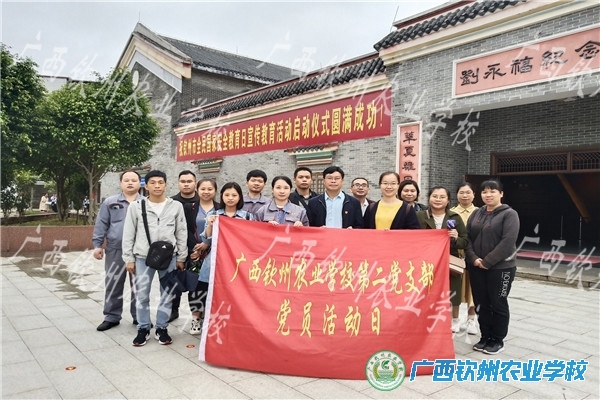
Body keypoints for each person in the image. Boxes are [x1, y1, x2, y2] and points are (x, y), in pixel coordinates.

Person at [122, 170, 188, 347]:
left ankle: (162, 328)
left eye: (160, 182)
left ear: (166, 185)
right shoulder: (136, 206)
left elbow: (181, 232)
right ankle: (143, 328)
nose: (157, 186)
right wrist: (129, 258)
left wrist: (181, 257)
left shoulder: (175, 206)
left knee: (167, 294)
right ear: (146, 186)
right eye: (153, 183)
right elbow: (128, 233)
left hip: (170, 257)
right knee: (142, 294)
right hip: (143, 257)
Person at [465, 180, 519, 355]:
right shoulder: (476, 213)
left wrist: (487, 261)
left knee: (498, 303)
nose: (488, 195)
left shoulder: (509, 214)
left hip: (501, 268)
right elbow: (467, 238)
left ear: (501, 194)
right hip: (476, 266)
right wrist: (473, 258)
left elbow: (508, 242)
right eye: (484, 192)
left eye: (492, 191)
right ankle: (485, 336)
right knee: (481, 303)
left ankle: (497, 339)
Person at [93, 170, 143, 331]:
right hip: (115, 249)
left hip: (139, 250)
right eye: (126, 180)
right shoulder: (110, 202)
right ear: (121, 183)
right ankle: (111, 316)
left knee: (139, 285)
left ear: (139, 183)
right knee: (113, 282)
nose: (130, 183)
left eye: (134, 180)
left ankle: (139, 316)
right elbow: (102, 223)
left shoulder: (145, 203)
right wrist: (98, 245)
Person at [416, 186, 468, 334]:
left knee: (453, 290)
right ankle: (427, 319)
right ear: (429, 198)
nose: (438, 199)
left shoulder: (455, 217)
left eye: (442, 197)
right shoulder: (420, 216)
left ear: (448, 200)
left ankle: (454, 320)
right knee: (427, 291)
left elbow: (465, 241)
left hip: (449, 259)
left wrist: (456, 238)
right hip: (426, 261)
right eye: (435, 196)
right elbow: (411, 236)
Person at [197, 182, 254, 310]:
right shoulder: (214, 215)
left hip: (239, 260)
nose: (230, 198)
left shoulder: (247, 217)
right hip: (216, 259)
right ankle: (201, 316)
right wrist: (210, 225)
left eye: (234, 195)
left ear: (240, 197)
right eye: (227, 195)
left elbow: (252, 240)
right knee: (207, 289)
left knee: (235, 291)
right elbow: (206, 241)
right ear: (222, 196)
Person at [187, 178, 219, 335]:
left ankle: (208, 316)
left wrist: (206, 244)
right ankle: (195, 319)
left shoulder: (220, 209)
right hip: (194, 253)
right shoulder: (190, 208)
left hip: (214, 253)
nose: (206, 192)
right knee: (195, 287)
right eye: (203, 189)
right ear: (197, 190)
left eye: (210, 189)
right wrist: (195, 248)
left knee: (212, 287)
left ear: (215, 191)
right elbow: (185, 229)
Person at [169, 170, 200, 323]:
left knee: (196, 283)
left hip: (198, 249)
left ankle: (197, 314)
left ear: (195, 183)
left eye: (189, 181)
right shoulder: (171, 202)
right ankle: (173, 310)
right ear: (178, 183)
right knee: (174, 281)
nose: (186, 184)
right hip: (175, 248)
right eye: (183, 181)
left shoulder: (203, 201)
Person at [450, 182, 479, 335]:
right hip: (456, 256)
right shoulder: (451, 213)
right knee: (455, 288)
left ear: (474, 195)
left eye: (468, 192)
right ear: (457, 195)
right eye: (461, 192)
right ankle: (454, 319)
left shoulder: (480, 212)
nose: (465, 195)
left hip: (474, 256)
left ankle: (471, 320)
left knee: (473, 290)